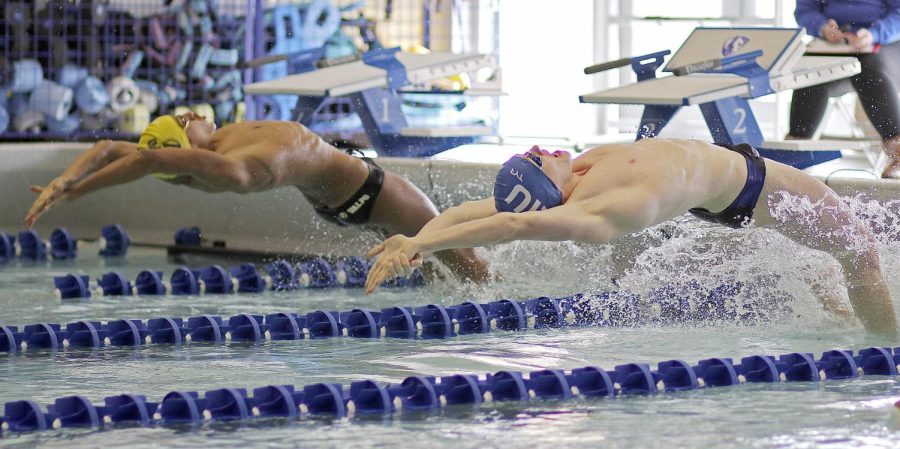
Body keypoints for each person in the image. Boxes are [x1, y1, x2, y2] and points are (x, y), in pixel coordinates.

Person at [364, 139, 898, 338]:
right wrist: (424, 248)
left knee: (832, 262)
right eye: (533, 160)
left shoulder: (572, 179)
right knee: (860, 251)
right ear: (543, 187)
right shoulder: (602, 210)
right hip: (758, 189)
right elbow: (513, 225)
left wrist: (414, 235)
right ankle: (888, 348)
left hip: (733, 167)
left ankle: (845, 322)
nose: (537, 147)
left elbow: (464, 210)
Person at [25, 113, 488, 283]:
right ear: (186, 150)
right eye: (184, 121)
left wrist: (69, 187)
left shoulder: (221, 145)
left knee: (433, 272)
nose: (192, 113)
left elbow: (110, 148)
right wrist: (73, 189)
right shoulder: (237, 166)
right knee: (474, 272)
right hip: (379, 194)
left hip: (338, 204)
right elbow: (146, 161)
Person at [791, 0, 900, 177]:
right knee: (810, 72)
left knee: (869, 69)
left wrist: (874, 34)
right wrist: (822, 26)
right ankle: (796, 147)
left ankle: (897, 149)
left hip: (886, 41)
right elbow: (805, 9)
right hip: (833, 43)